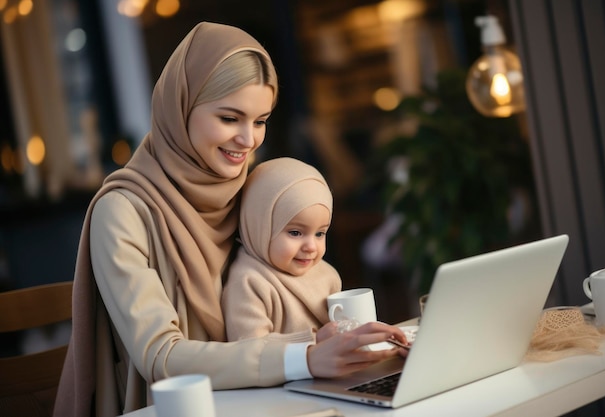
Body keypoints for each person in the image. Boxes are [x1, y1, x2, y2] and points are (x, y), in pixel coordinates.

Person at [53, 22, 407, 417]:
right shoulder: (123, 213)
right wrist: (304, 358)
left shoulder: (251, 192)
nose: (248, 139)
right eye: (229, 118)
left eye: (259, 121)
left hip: (273, 399)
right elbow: (160, 355)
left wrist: (326, 342)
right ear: (181, 106)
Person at [222, 157, 342, 341]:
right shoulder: (249, 283)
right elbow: (251, 351)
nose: (311, 247)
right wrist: (314, 341)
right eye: (295, 232)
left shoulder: (326, 275)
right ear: (260, 226)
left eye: (320, 233)